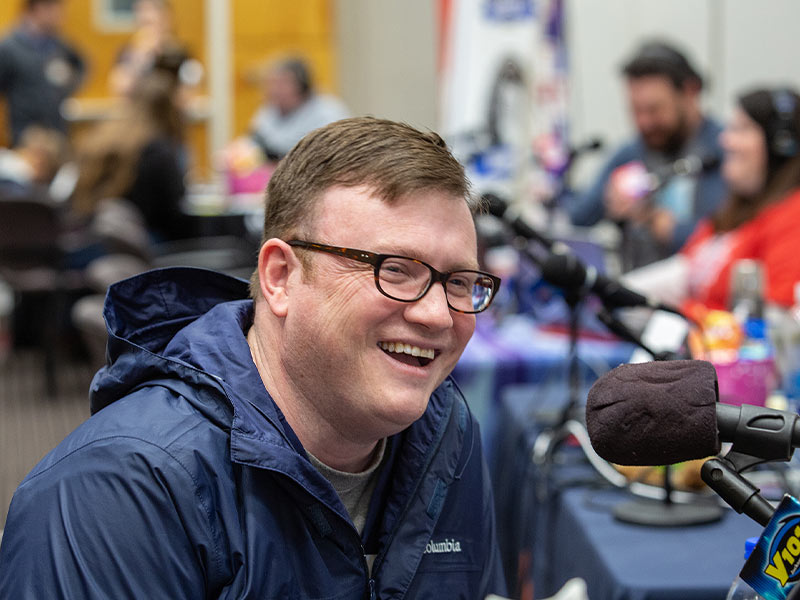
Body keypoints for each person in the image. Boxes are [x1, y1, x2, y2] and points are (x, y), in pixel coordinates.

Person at [0, 116, 508, 598]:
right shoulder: (119, 492)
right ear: (280, 278)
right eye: (396, 270)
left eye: (460, 283)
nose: (439, 316)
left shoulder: (447, 434)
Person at [623, 87, 800, 312]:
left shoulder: (793, 216)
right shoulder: (734, 213)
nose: (726, 140)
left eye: (741, 129)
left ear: (780, 146)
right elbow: (683, 273)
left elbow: (777, 314)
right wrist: (605, 293)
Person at [567, 40, 727, 271]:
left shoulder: (726, 151)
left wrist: (655, 221)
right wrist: (609, 199)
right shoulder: (631, 152)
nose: (644, 122)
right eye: (635, 110)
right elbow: (578, 218)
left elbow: (729, 240)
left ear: (690, 91)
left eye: (654, 110)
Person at [70, 69, 192, 243]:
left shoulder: (102, 137)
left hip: (98, 242)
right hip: (148, 248)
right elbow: (174, 216)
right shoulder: (158, 150)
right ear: (170, 110)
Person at [0, 0, 86, 146]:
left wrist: (67, 86)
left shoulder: (59, 44)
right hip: (25, 134)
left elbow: (82, 66)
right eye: (55, 9)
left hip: (57, 131)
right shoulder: (9, 47)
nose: (61, 15)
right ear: (38, 9)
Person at [248, 56, 349, 160]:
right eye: (271, 84)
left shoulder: (328, 112)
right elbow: (253, 141)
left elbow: (332, 153)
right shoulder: (270, 109)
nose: (274, 90)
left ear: (302, 86)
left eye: (282, 83)